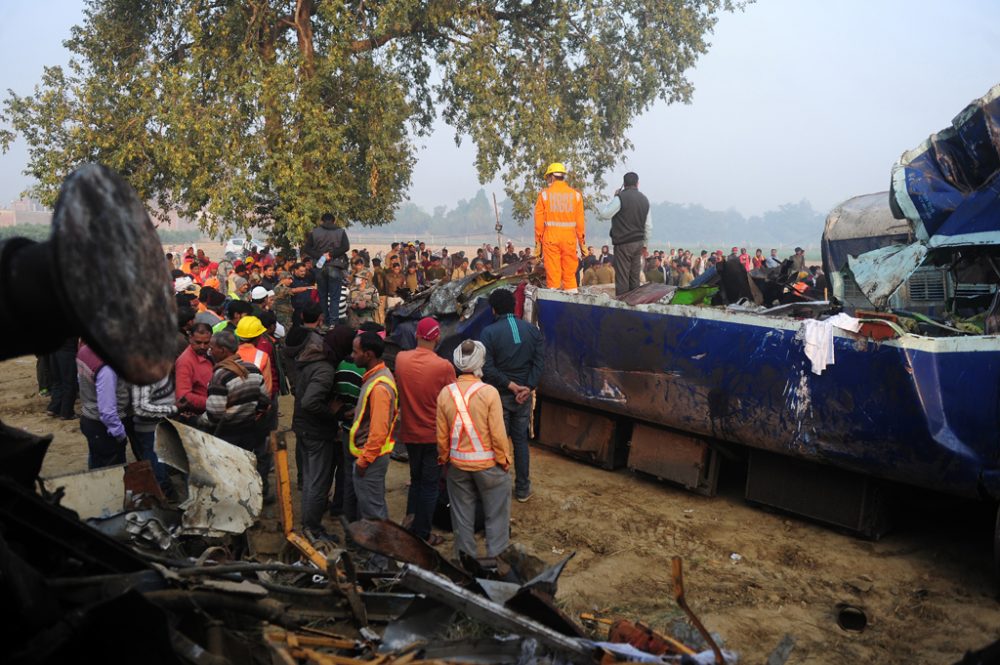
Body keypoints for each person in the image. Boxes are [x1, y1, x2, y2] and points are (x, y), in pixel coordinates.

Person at [436, 339, 512, 559]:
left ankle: (464, 560)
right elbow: (498, 434)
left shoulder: (445, 393)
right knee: (496, 517)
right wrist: (504, 460)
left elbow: (441, 436)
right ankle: (497, 562)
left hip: (458, 466)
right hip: (489, 467)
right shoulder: (489, 393)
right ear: (481, 362)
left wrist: (444, 459)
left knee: (462, 517)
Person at [394, 317, 456, 544]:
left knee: (416, 478)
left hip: (409, 432)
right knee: (430, 484)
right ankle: (422, 534)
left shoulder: (401, 360)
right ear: (437, 337)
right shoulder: (444, 366)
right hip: (433, 435)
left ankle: (409, 525)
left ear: (417, 335)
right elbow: (452, 399)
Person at [480, 289, 544, 503]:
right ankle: (523, 489)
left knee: (498, 443)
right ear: (514, 307)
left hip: (500, 396)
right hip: (523, 397)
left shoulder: (488, 333)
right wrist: (527, 387)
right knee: (521, 442)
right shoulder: (532, 331)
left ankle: (498, 490)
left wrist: (510, 385)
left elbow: (487, 368)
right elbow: (539, 363)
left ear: (494, 309)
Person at [290, 324, 344, 541]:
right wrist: (330, 413)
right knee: (318, 483)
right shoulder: (325, 369)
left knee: (312, 479)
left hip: (304, 428)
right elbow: (310, 402)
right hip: (316, 432)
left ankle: (308, 523)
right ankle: (312, 528)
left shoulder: (312, 359)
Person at [345, 331, 398, 528]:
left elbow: (378, 431)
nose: (352, 355)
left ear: (368, 355)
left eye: (355, 351)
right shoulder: (375, 377)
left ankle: (380, 559)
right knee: (374, 508)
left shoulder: (379, 387)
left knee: (374, 514)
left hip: (371, 459)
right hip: (371, 457)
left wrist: (364, 461)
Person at [199, 331, 271, 452]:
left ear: (222, 350)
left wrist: (198, 420)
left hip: (226, 435)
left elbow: (215, 414)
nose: (209, 352)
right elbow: (264, 401)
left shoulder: (221, 375)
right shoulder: (253, 369)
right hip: (248, 431)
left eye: (212, 348)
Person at [77, 343, 131, 469]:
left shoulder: (84, 350)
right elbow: (107, 412)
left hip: (89, 418)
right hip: (103, 427)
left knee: (97, 466)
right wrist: (120, 434)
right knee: (113, 473)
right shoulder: (107, 368)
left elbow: (80, 380)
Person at [534, 162, 586, 290]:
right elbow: (580, 224)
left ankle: (554, 304)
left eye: (547, 178)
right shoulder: (576, 196)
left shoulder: (544, 195)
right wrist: (582, 245)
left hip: (551, 240)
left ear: (551, 177)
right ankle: (572, 303)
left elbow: (539, 223)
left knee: (553, 276)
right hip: (569, 241)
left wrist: (538, 245)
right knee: (570, 276)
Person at [131, 373, 178, 499]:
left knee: (161, 461)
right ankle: (161, 495)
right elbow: (140, 408)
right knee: (155, 464)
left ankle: (164, 493)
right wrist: (173, 409)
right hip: (149, 429)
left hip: (160, 426)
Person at [302, 212, 351, 326]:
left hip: (320, 267)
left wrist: (321, 255)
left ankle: (325, 321)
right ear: (334, 221)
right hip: (335, 266)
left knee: (322, 296)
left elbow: (307, 249)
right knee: (334, 297)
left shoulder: (314, 232)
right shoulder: (341, 231)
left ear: (321, 221)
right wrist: (332, 254)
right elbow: (346, 247)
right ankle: (333, 323)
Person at [175, 322, 215, 422]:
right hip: (199, 417)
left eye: (206, 343)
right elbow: (184, 395)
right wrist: (213, 404)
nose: (202, 346)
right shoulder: (185, 361)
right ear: (190, 338)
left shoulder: (209, 354)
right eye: (198, 342)